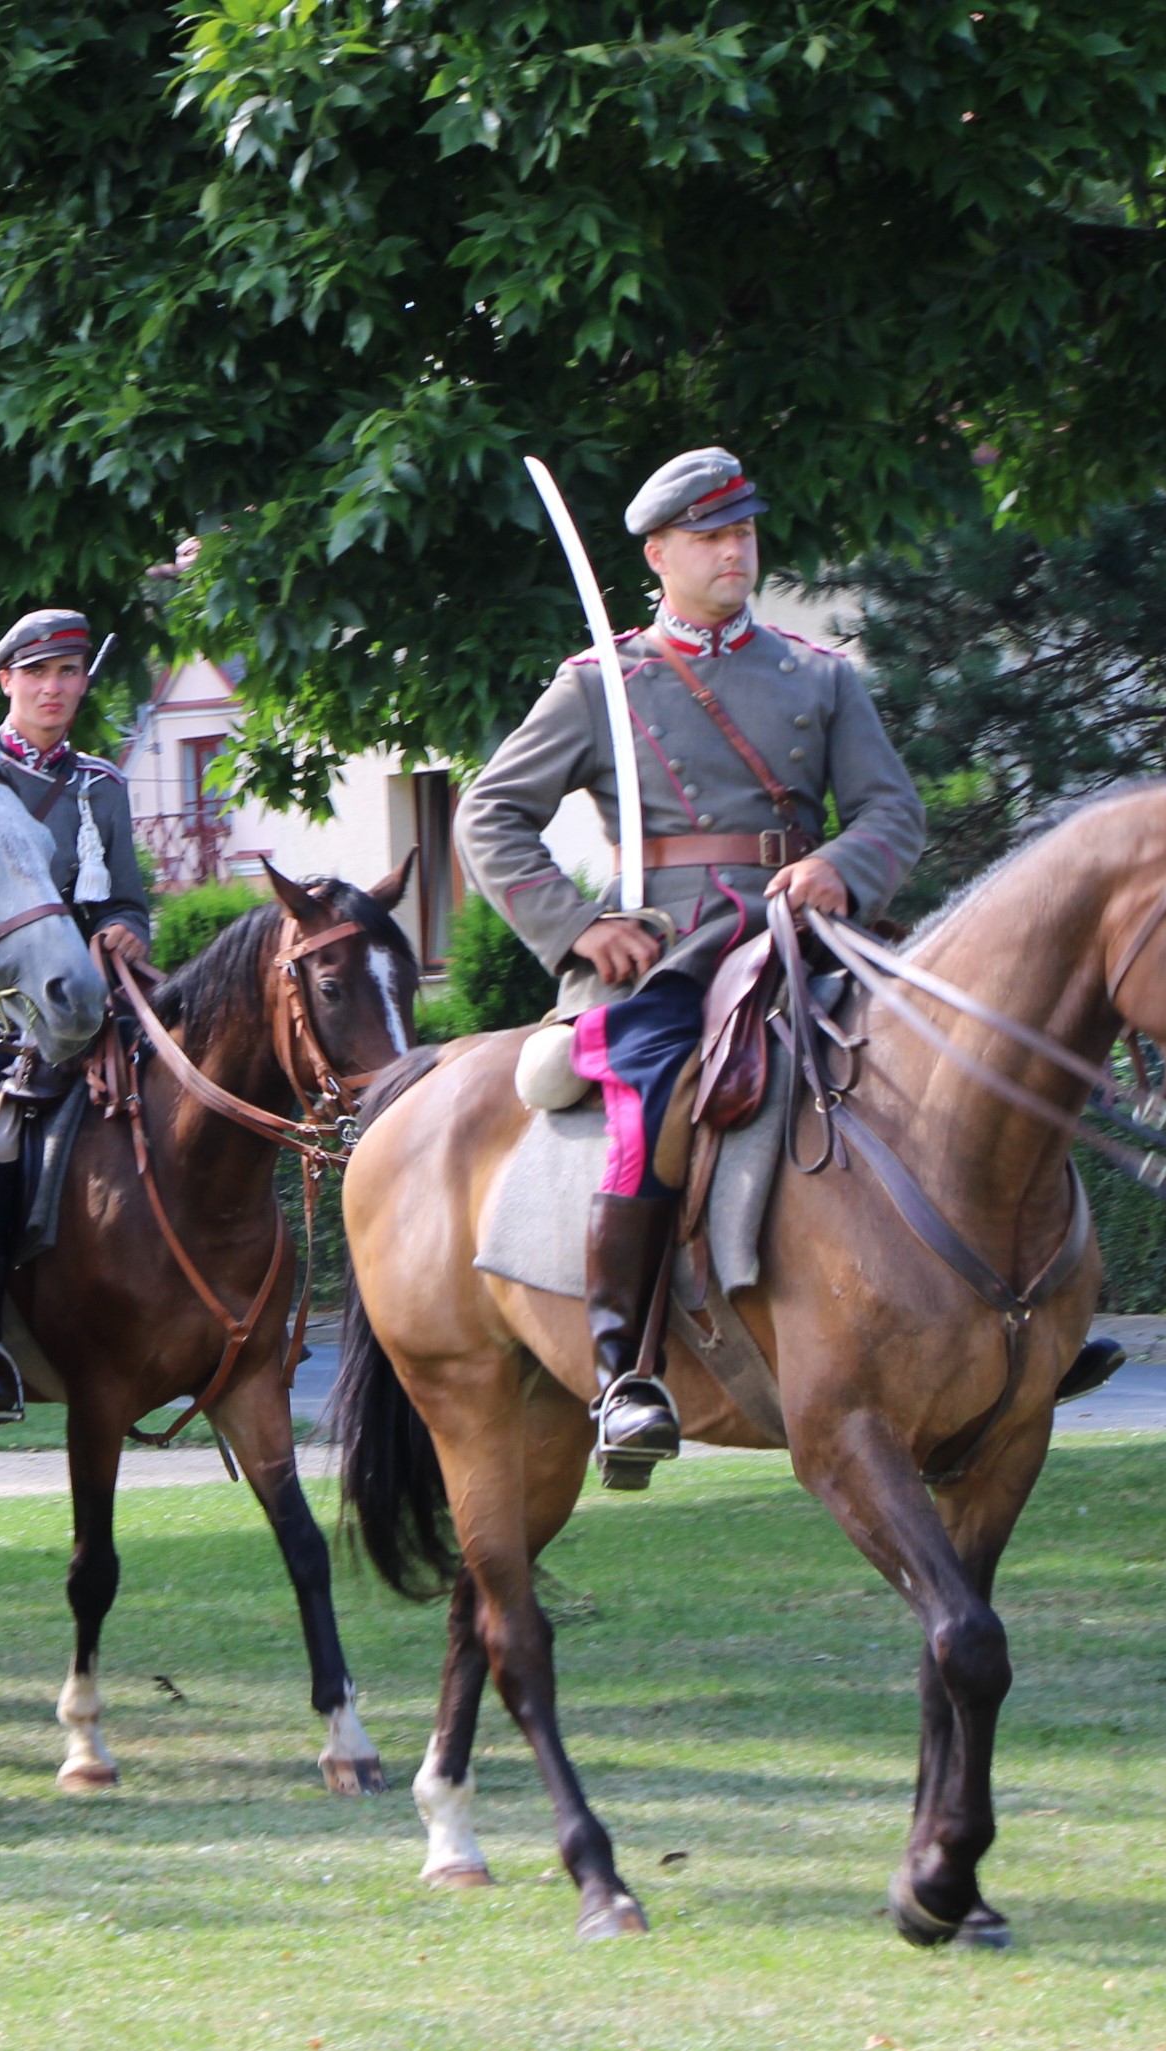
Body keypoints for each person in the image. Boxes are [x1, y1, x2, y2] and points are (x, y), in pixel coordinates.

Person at [455, 447, 927, 1486]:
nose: (733, 550)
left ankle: (1018, 1316)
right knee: (658, 1097)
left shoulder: (818, 675)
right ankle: (625, 1372)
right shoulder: (601, 686)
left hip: (809, 939)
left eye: (743, 532)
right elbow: (487, 814)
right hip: (670, 956)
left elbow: (894, 810)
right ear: (659, 553)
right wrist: (576, 926)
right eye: (710, 537)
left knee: (953, 1057)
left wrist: (839, 866)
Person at [0, 607, 151, 1421]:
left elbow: (125, 898)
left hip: (91, 1008)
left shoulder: (101, 784)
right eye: (37, 674)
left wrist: (127, 928)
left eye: (69, 673)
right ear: (6, 682)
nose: (54, 688)